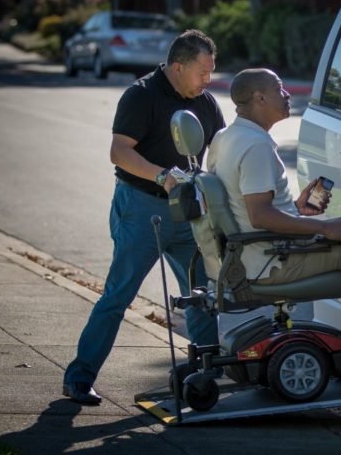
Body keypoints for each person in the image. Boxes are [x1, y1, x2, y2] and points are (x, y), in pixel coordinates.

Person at [207, 68, 341, 361]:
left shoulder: (226, 137)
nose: (286, 96)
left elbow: (247, 210)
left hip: (259, 251)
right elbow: (259, 216)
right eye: (280, 88)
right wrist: (321, 228)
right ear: (260, 97)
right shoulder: (255, 146)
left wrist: (297, 210)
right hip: (275, 260)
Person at [63, 29, 225, 405]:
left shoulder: (205, 102)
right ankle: (79, 378)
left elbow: (220, 152)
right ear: (178, 66)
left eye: (211, 72)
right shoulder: (141, 95)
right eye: (203, 72)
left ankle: (206, 377)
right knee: (118, 295)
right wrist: (159, 174)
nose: (208, 80)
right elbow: (119, 151)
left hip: (189, 213)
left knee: (202, 295)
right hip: (142, 208)